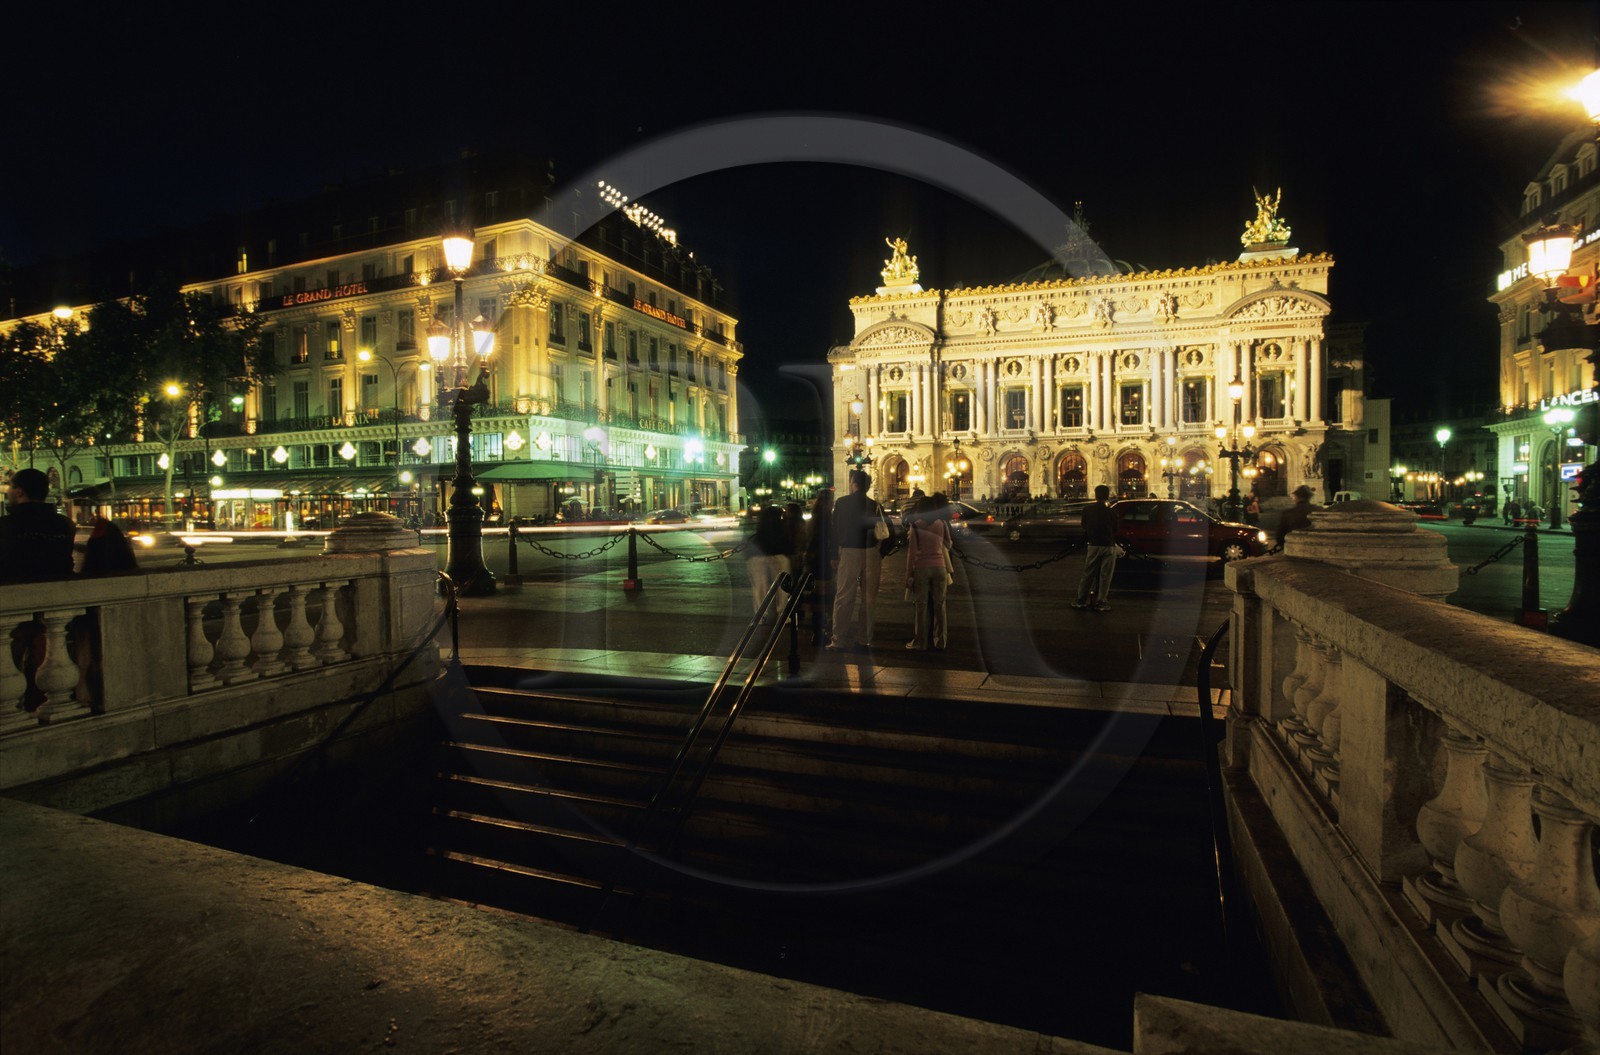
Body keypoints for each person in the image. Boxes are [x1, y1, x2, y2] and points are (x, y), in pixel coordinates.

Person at [829, 469, 886, 652]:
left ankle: (838, 640)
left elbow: (834, 530)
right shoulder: (875, 505)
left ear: (853, 484)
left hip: (849, 551)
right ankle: (864, 640)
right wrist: (880, 552)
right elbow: (888, 532)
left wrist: (833, 554)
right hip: (871, 552)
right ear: (867, 486)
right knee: (869, 599)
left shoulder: (842, 503)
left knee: (844, 597)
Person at [0, 468, 76, 583]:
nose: (7, 490)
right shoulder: (65, 524)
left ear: (19, 492)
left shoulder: (5, 525)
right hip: (59, 588)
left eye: (10, 486)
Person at [904, 493, 953, 651]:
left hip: (922, 568)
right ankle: (941, 641)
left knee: (921, 606)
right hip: (940, 567)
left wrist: (908, 575)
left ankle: (920, 642)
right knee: (940, 605)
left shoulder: (916, 526)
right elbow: (948, 544)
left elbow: (911, 554)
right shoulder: (942, 524)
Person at [1071, 484, 1118, 612]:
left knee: (1088, 573)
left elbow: (1084, 525)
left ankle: (1081, 599)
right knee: (1105, 575)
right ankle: (1101, 601)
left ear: (1096, 495)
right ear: (1107, 496)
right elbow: (1115, 528)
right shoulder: (1112, 511)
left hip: (1093, 544)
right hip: (1108, 545)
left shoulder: (1087, 510)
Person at [746, 505, 793, 622]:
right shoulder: (781, 527)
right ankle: (782, 613)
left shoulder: (760, 530)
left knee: (759, 587)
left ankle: (760, 615)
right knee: (782, 587)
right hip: (778, 554)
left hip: (757, 556)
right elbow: (787, 542)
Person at [802, 489, 836, 646]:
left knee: (816, 598)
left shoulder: (813, 517)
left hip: (813, 561)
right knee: (824, 598)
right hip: (824, 560)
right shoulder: (827, 518)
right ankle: (821, 632)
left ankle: (817, 631)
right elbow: (829, 540)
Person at [1275, 484, 1318, 548]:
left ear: (1296, 497)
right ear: (1310, 497)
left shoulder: (1288, 513)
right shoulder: (1318, 510)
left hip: (1294, 547)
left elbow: (1280, 535)